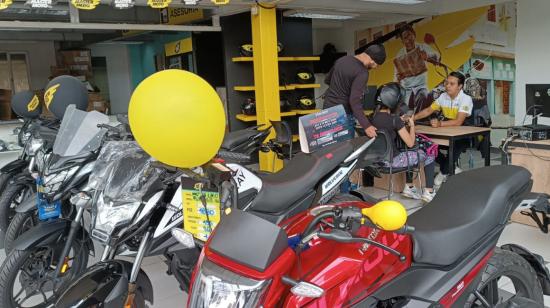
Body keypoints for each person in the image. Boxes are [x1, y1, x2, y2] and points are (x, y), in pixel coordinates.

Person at [370, 82, 437, 203]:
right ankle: (429, 191)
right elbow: (411, 143)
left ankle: (410, 187)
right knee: (429, 150)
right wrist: (411, 125)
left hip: (376, 161)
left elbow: (388, 125)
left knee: (408, 151)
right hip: (393, 162)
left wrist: (398, 121)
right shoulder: (395, 120)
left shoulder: (372, 118)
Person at [414, 71, 473, 185]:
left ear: (460, 86)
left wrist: (440, 124)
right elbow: (428, 110)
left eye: (452, 84)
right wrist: (413, 118)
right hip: (447, 130)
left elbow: (459, 121)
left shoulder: (466, 99)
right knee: (427, 145)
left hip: (464, 132)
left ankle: (444, 171)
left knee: (455, 146)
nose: (447, 86)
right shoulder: (443, 96)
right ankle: (451, 168)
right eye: (446, 83)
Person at [323, 44, 387, 138]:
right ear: (373, 60)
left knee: (329, 147)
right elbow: (354, 101)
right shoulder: (362, 72)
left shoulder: (342, 60)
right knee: (345, 150)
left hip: (327, 111)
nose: (375, 68)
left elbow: (327, 80)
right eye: (377, 65)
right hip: (342, 115)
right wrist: (366, 125)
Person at [394, 23, 440, 113]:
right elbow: (395, 77)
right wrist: (399, 78)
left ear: (414, 35)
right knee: (405, 112)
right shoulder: (399, 54)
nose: (408, 40)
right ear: (402, 41)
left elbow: (437, 57)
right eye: (405, 38)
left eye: (409, 36)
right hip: (406, 89)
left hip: (421, 86)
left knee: (423, 101)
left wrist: (427, 57)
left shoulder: (423, 47)